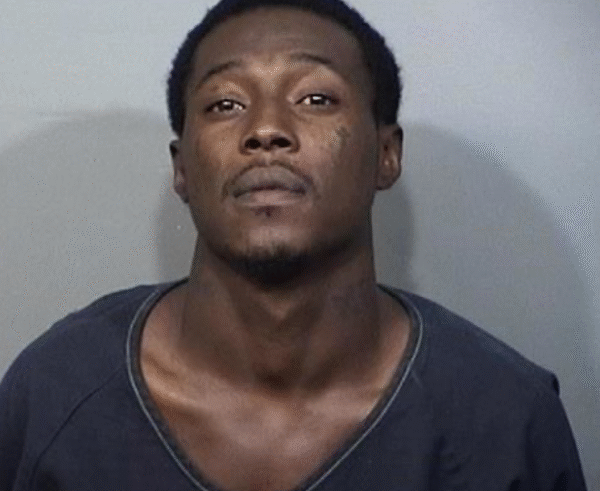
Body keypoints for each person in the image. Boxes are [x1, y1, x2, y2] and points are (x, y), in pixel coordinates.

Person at [0, 0, 587, 489]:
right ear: (182, 169)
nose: (266, 130)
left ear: (386, 154)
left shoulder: (506, 421)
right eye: (226, 103)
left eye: (316, 99)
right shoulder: (53, 394)